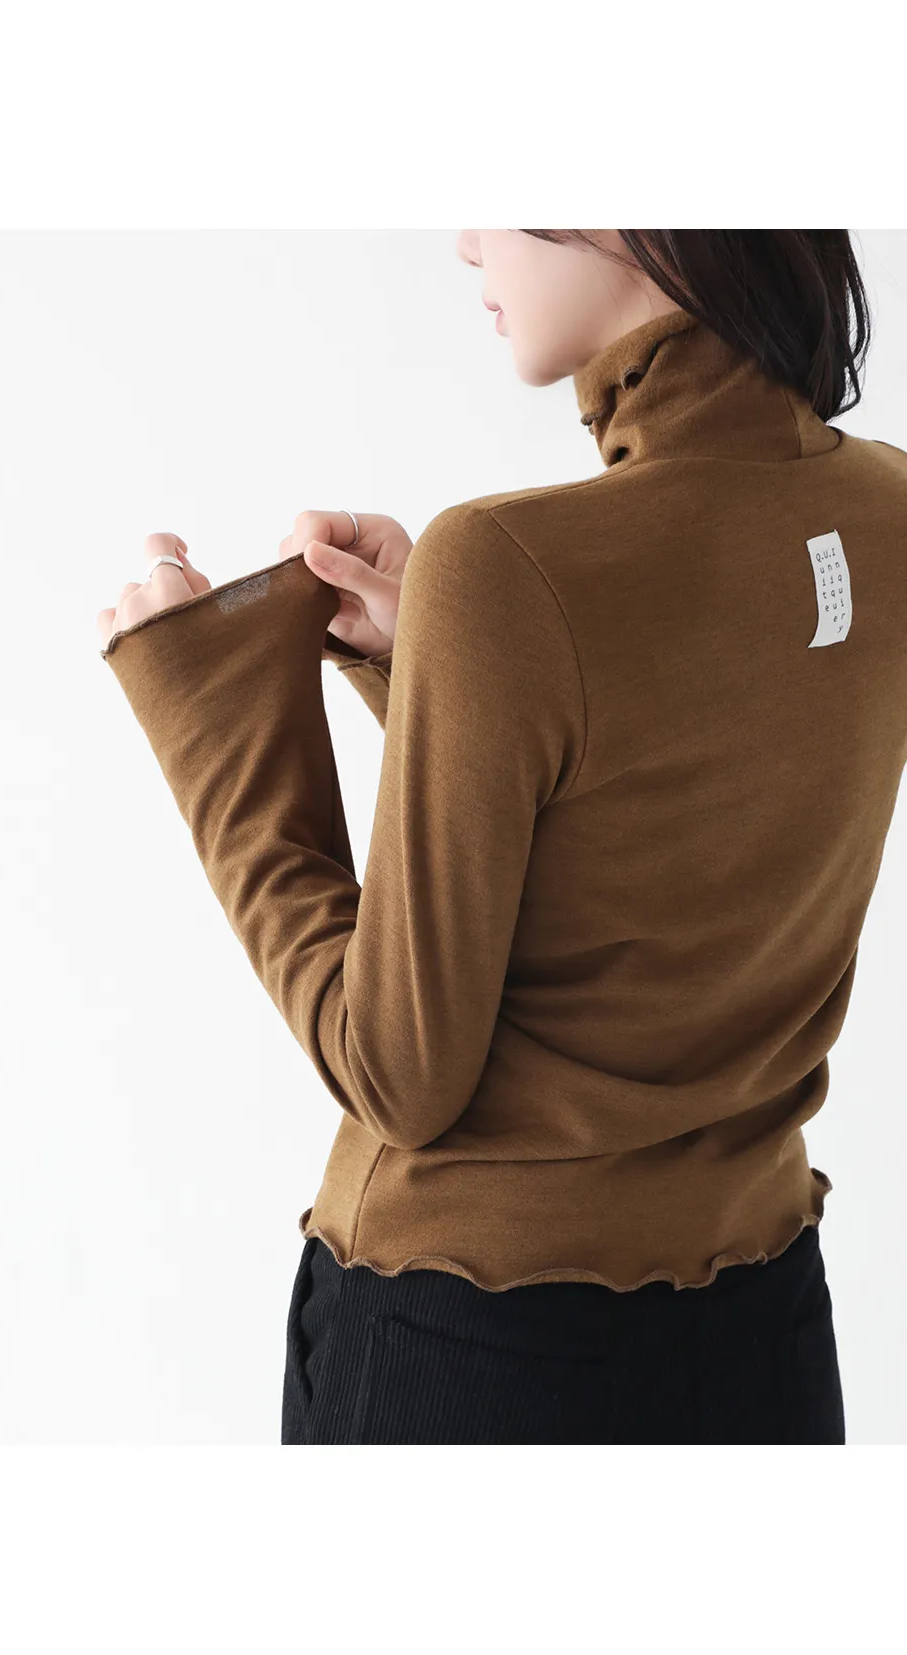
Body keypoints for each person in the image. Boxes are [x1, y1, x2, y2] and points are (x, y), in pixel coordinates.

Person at [98, 230, 906, 1444]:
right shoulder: (888, 510)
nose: (467, 239)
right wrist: (448, 665)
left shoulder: (502, 563)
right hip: (762, 1332)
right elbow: (658, 817)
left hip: (469, 1348)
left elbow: (396, 1071)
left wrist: (208, 709)